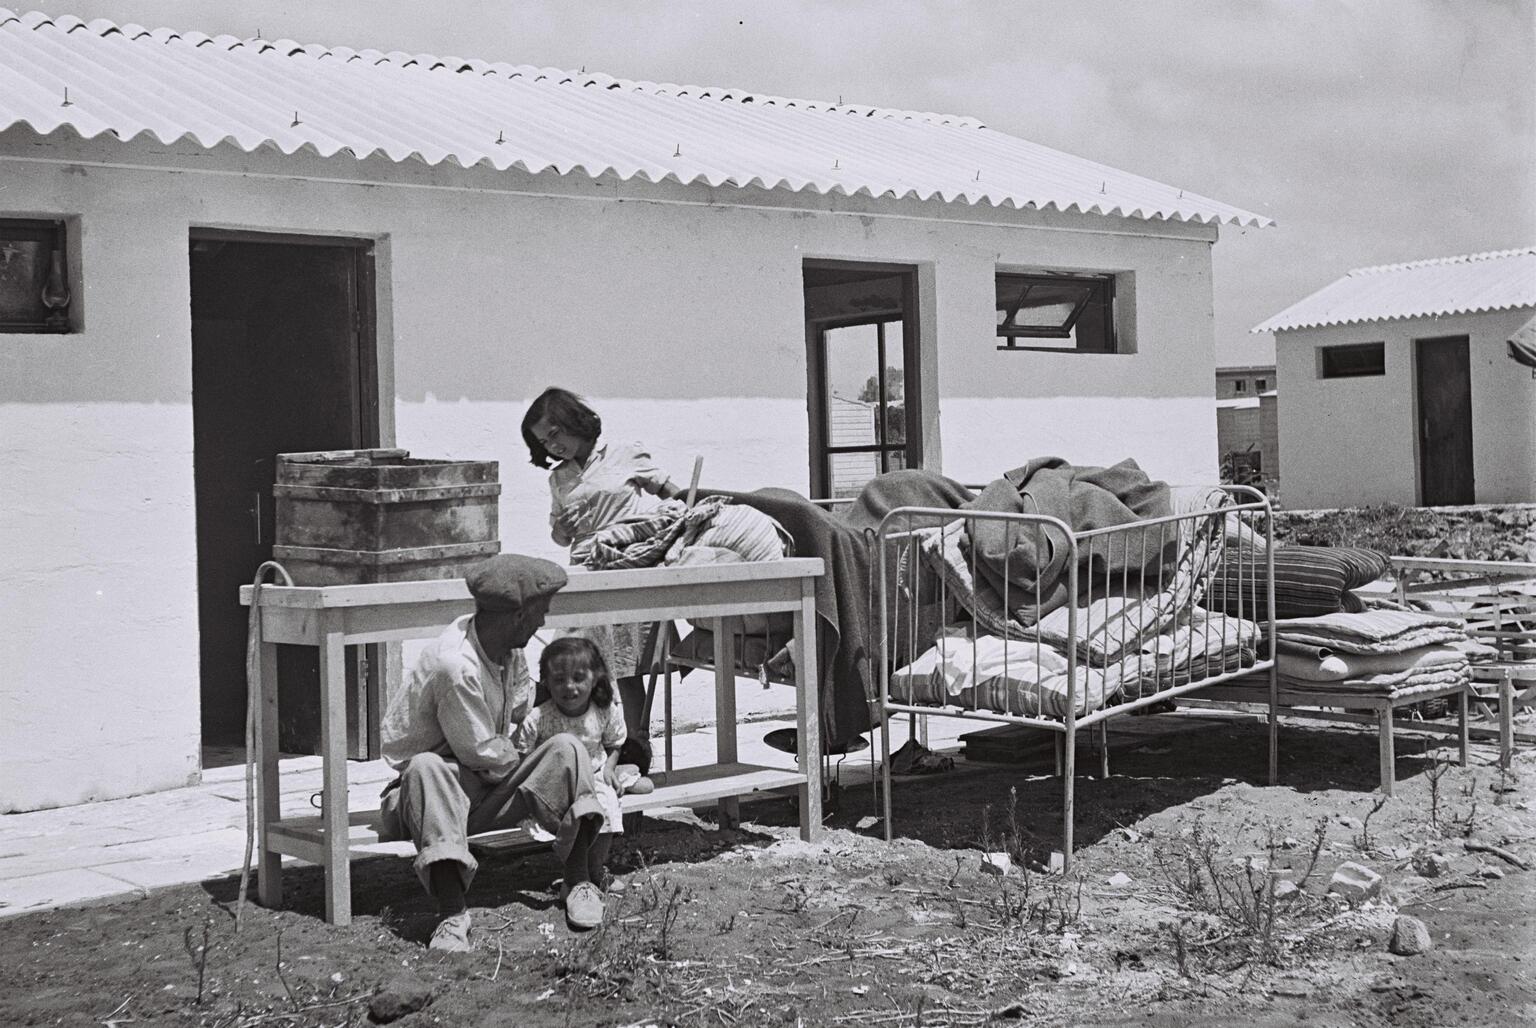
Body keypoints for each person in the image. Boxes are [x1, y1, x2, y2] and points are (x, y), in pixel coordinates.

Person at [377, 554, 608, 952]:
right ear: (519, 615)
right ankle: (452, 916)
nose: (542, 623)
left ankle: (579, 881)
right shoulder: (456, 664)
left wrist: (595, 705)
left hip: (482, 789)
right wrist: (526, 767)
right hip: (425, 802)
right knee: (427, 766)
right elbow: (483, 753)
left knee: (568, 749)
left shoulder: (505, 649)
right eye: (540, 614)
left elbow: (522, 705)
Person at [521, 386, 680, 776]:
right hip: (583, 572)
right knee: (576, 664)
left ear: (574, 421)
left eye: (555, 433)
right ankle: (577, 754)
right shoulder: (559, 479)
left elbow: (673, 492)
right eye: (544, 442)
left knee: (626, 668)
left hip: (626, 564)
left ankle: (634, 752)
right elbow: (559, 536)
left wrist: (671, 525)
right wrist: (563, 526)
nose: (553, 446)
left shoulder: (627, 454)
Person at [514, 637, 626, 888]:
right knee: (568, 817)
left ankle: (596, 869)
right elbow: (522, 753)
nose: (569, 687)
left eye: (578, 678)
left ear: (594, 678)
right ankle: (575, 873)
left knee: (605, 807)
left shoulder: (603, 710)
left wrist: (609, 768)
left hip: (594, 772)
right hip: (555, 781)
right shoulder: (540, 717)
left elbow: (615, 742)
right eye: (559, 680)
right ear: (546, 682)